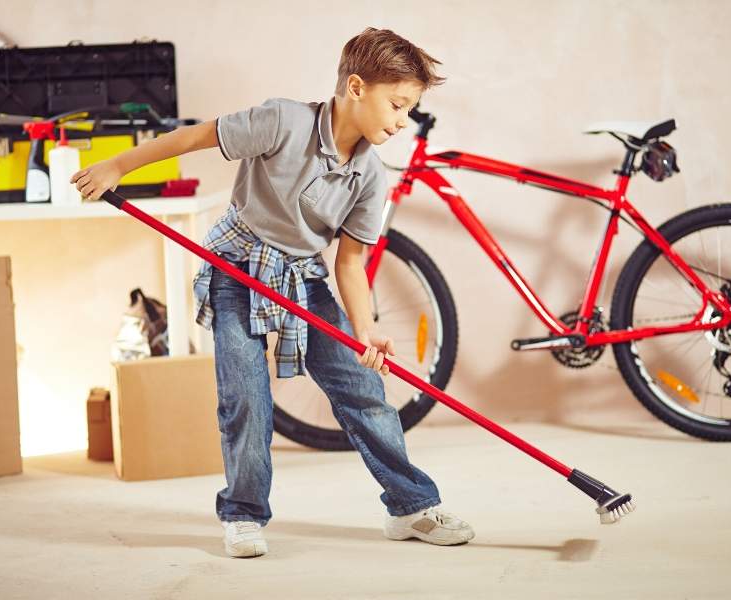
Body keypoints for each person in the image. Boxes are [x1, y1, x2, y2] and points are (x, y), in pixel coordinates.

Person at [72, 26, 474, 559]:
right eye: (397, 105)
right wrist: (118, 165)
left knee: (361, 389)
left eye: (408, 109)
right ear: (356, 87)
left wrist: (366, 330)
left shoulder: (370, 177)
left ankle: (410, 507)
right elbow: (195, 137)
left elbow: (350, 263)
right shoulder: (284, 121)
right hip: (235, 268)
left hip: (302, 278)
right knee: (245, 397)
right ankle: (242, 514)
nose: (403, 121)